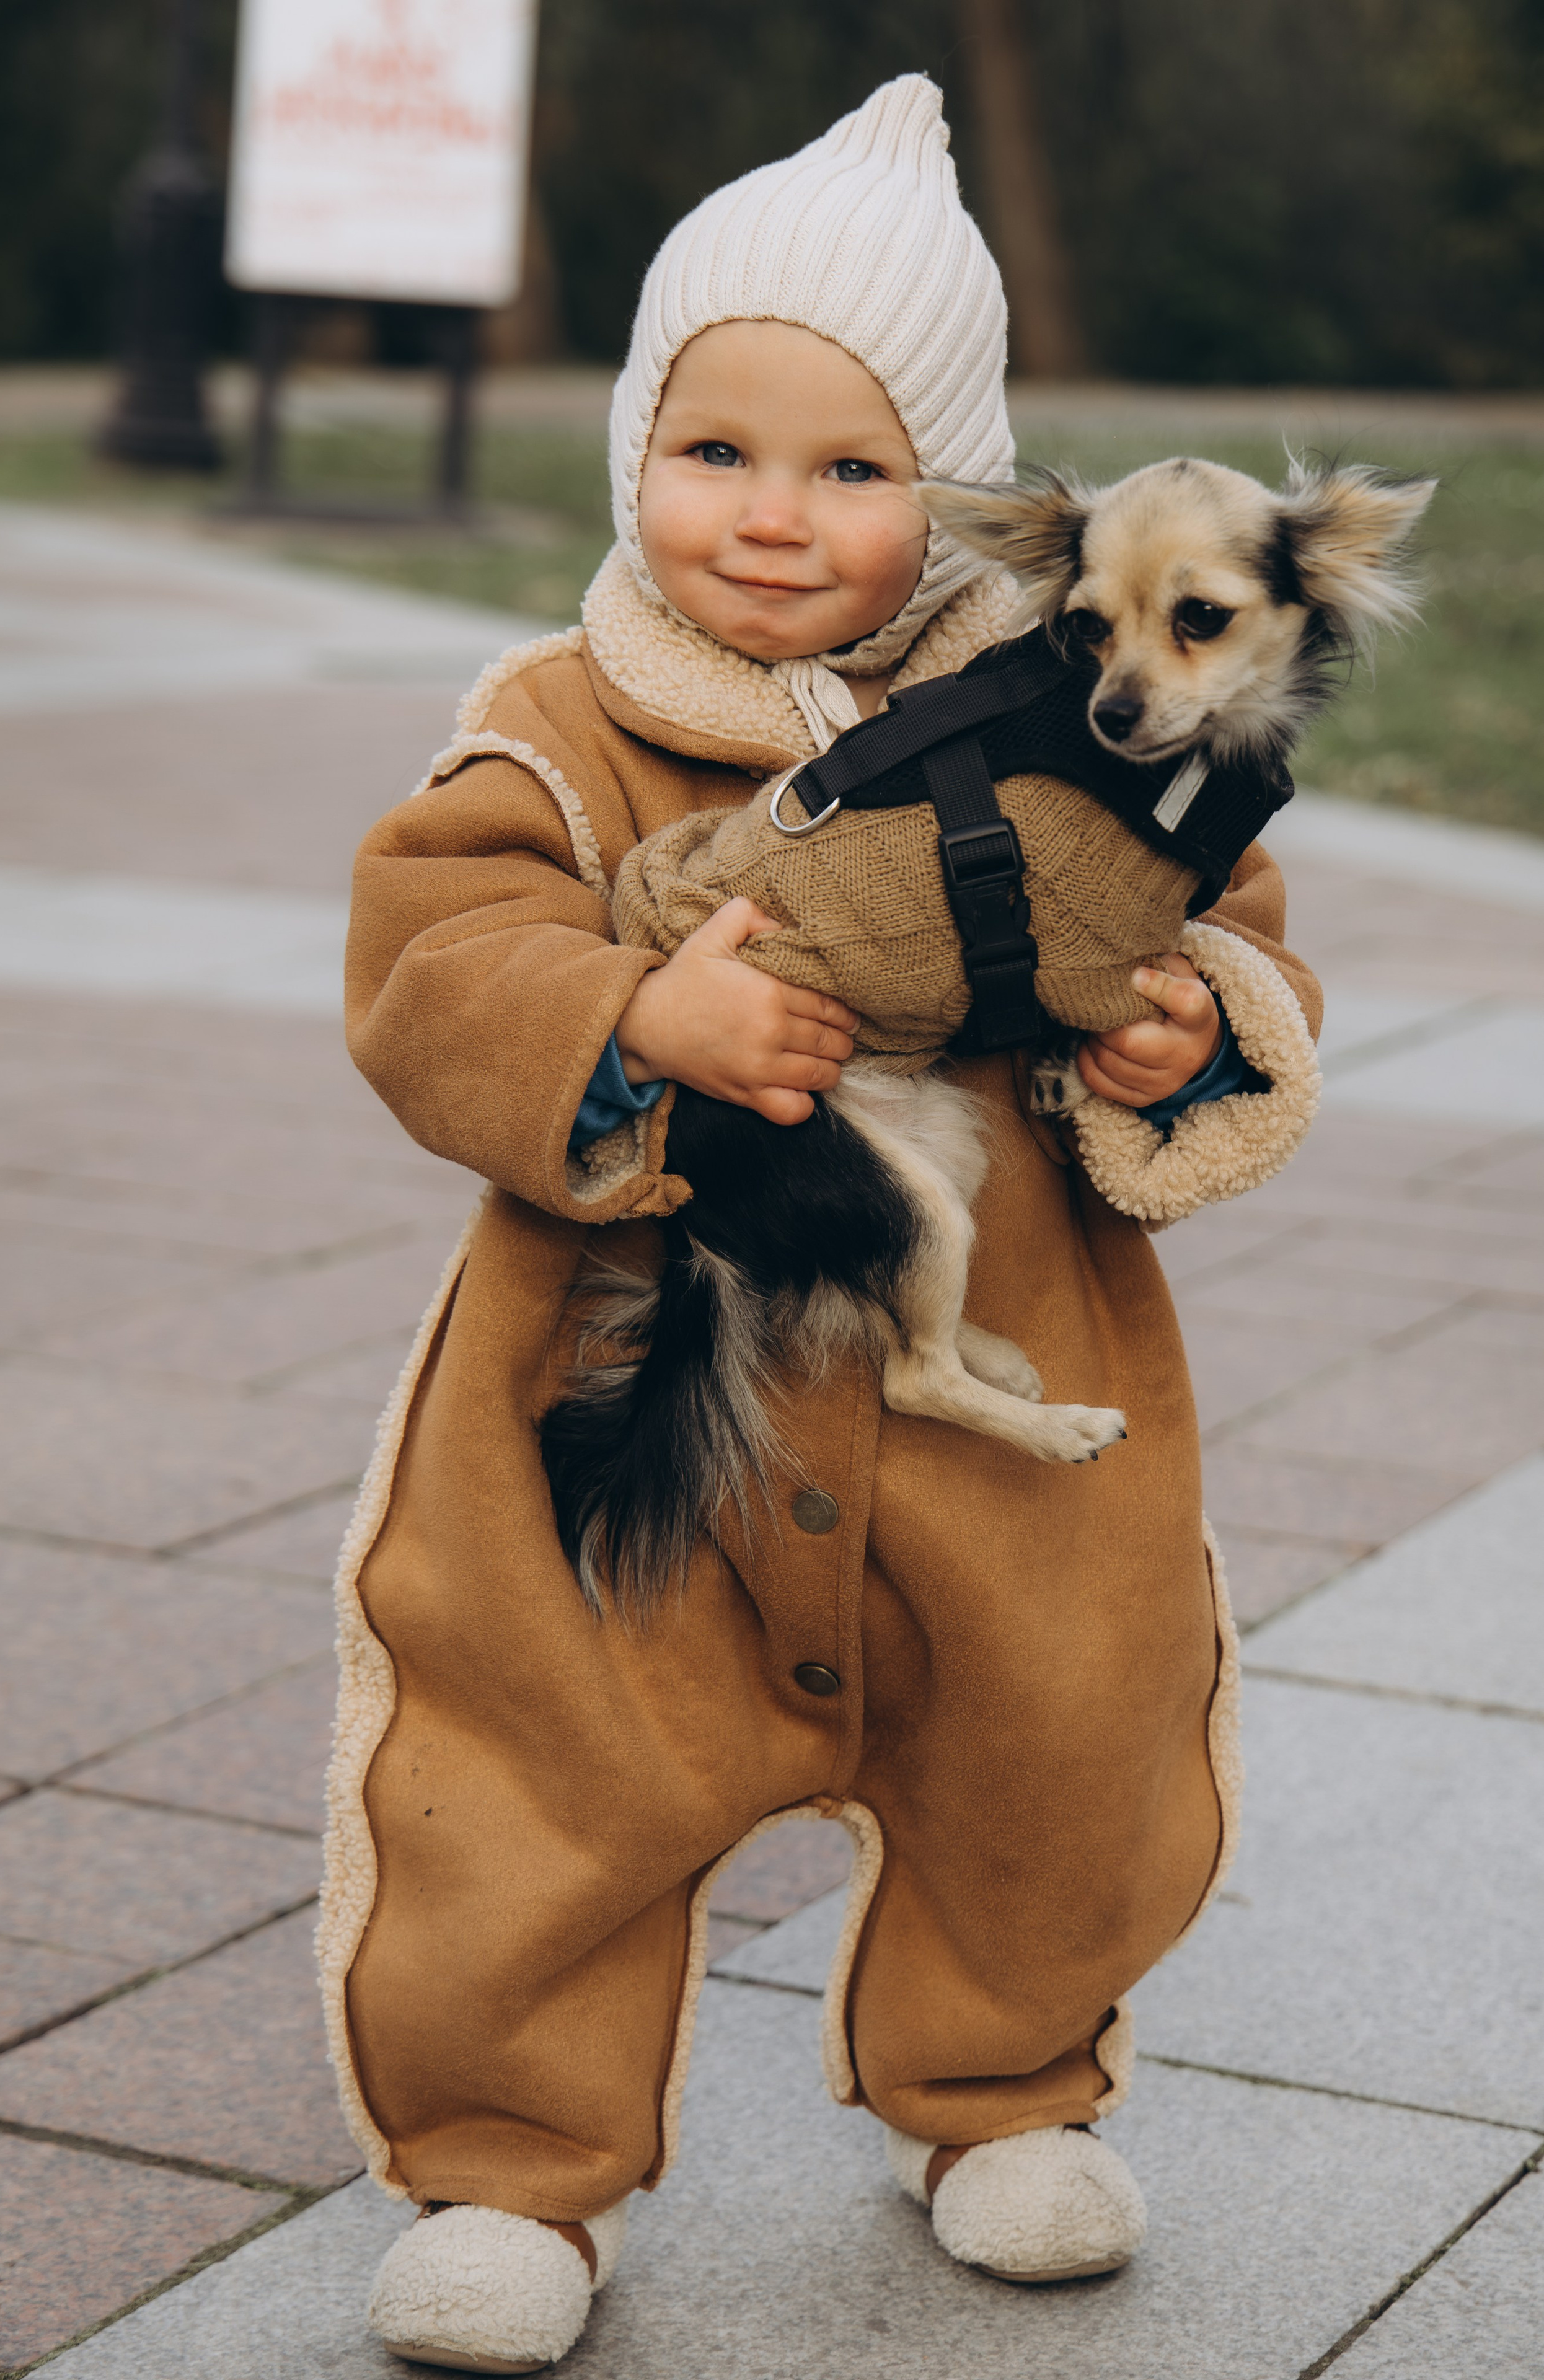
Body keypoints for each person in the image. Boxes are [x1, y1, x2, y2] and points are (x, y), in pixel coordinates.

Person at [324, 77, 1322, 2374]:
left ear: (956, 502)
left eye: (854, 469)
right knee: (532, 1755)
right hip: (625, 1331)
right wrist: (626, 1006)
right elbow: (431, 961)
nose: (774, 518)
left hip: (1001, 1366)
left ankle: (993, 2091)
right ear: (630, 457)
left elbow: (1228, 920)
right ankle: (513, 2164)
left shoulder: (1092, 709)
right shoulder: (560, 726)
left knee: (1059, 1728)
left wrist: (1192, 1033)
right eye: (716, 451)